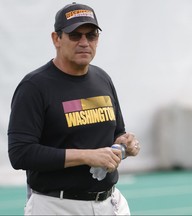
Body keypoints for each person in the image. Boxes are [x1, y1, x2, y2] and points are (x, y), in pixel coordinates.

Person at [7, 2, 140, 215]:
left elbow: (117, 133)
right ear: (56, 39)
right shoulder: (34, 86)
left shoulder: (102, 78)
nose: (84, 42)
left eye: (91, 35)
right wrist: (86, 156)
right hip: (57, 205)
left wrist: (125, 144)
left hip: (110, 202)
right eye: (75, 35)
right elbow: (20, 153)